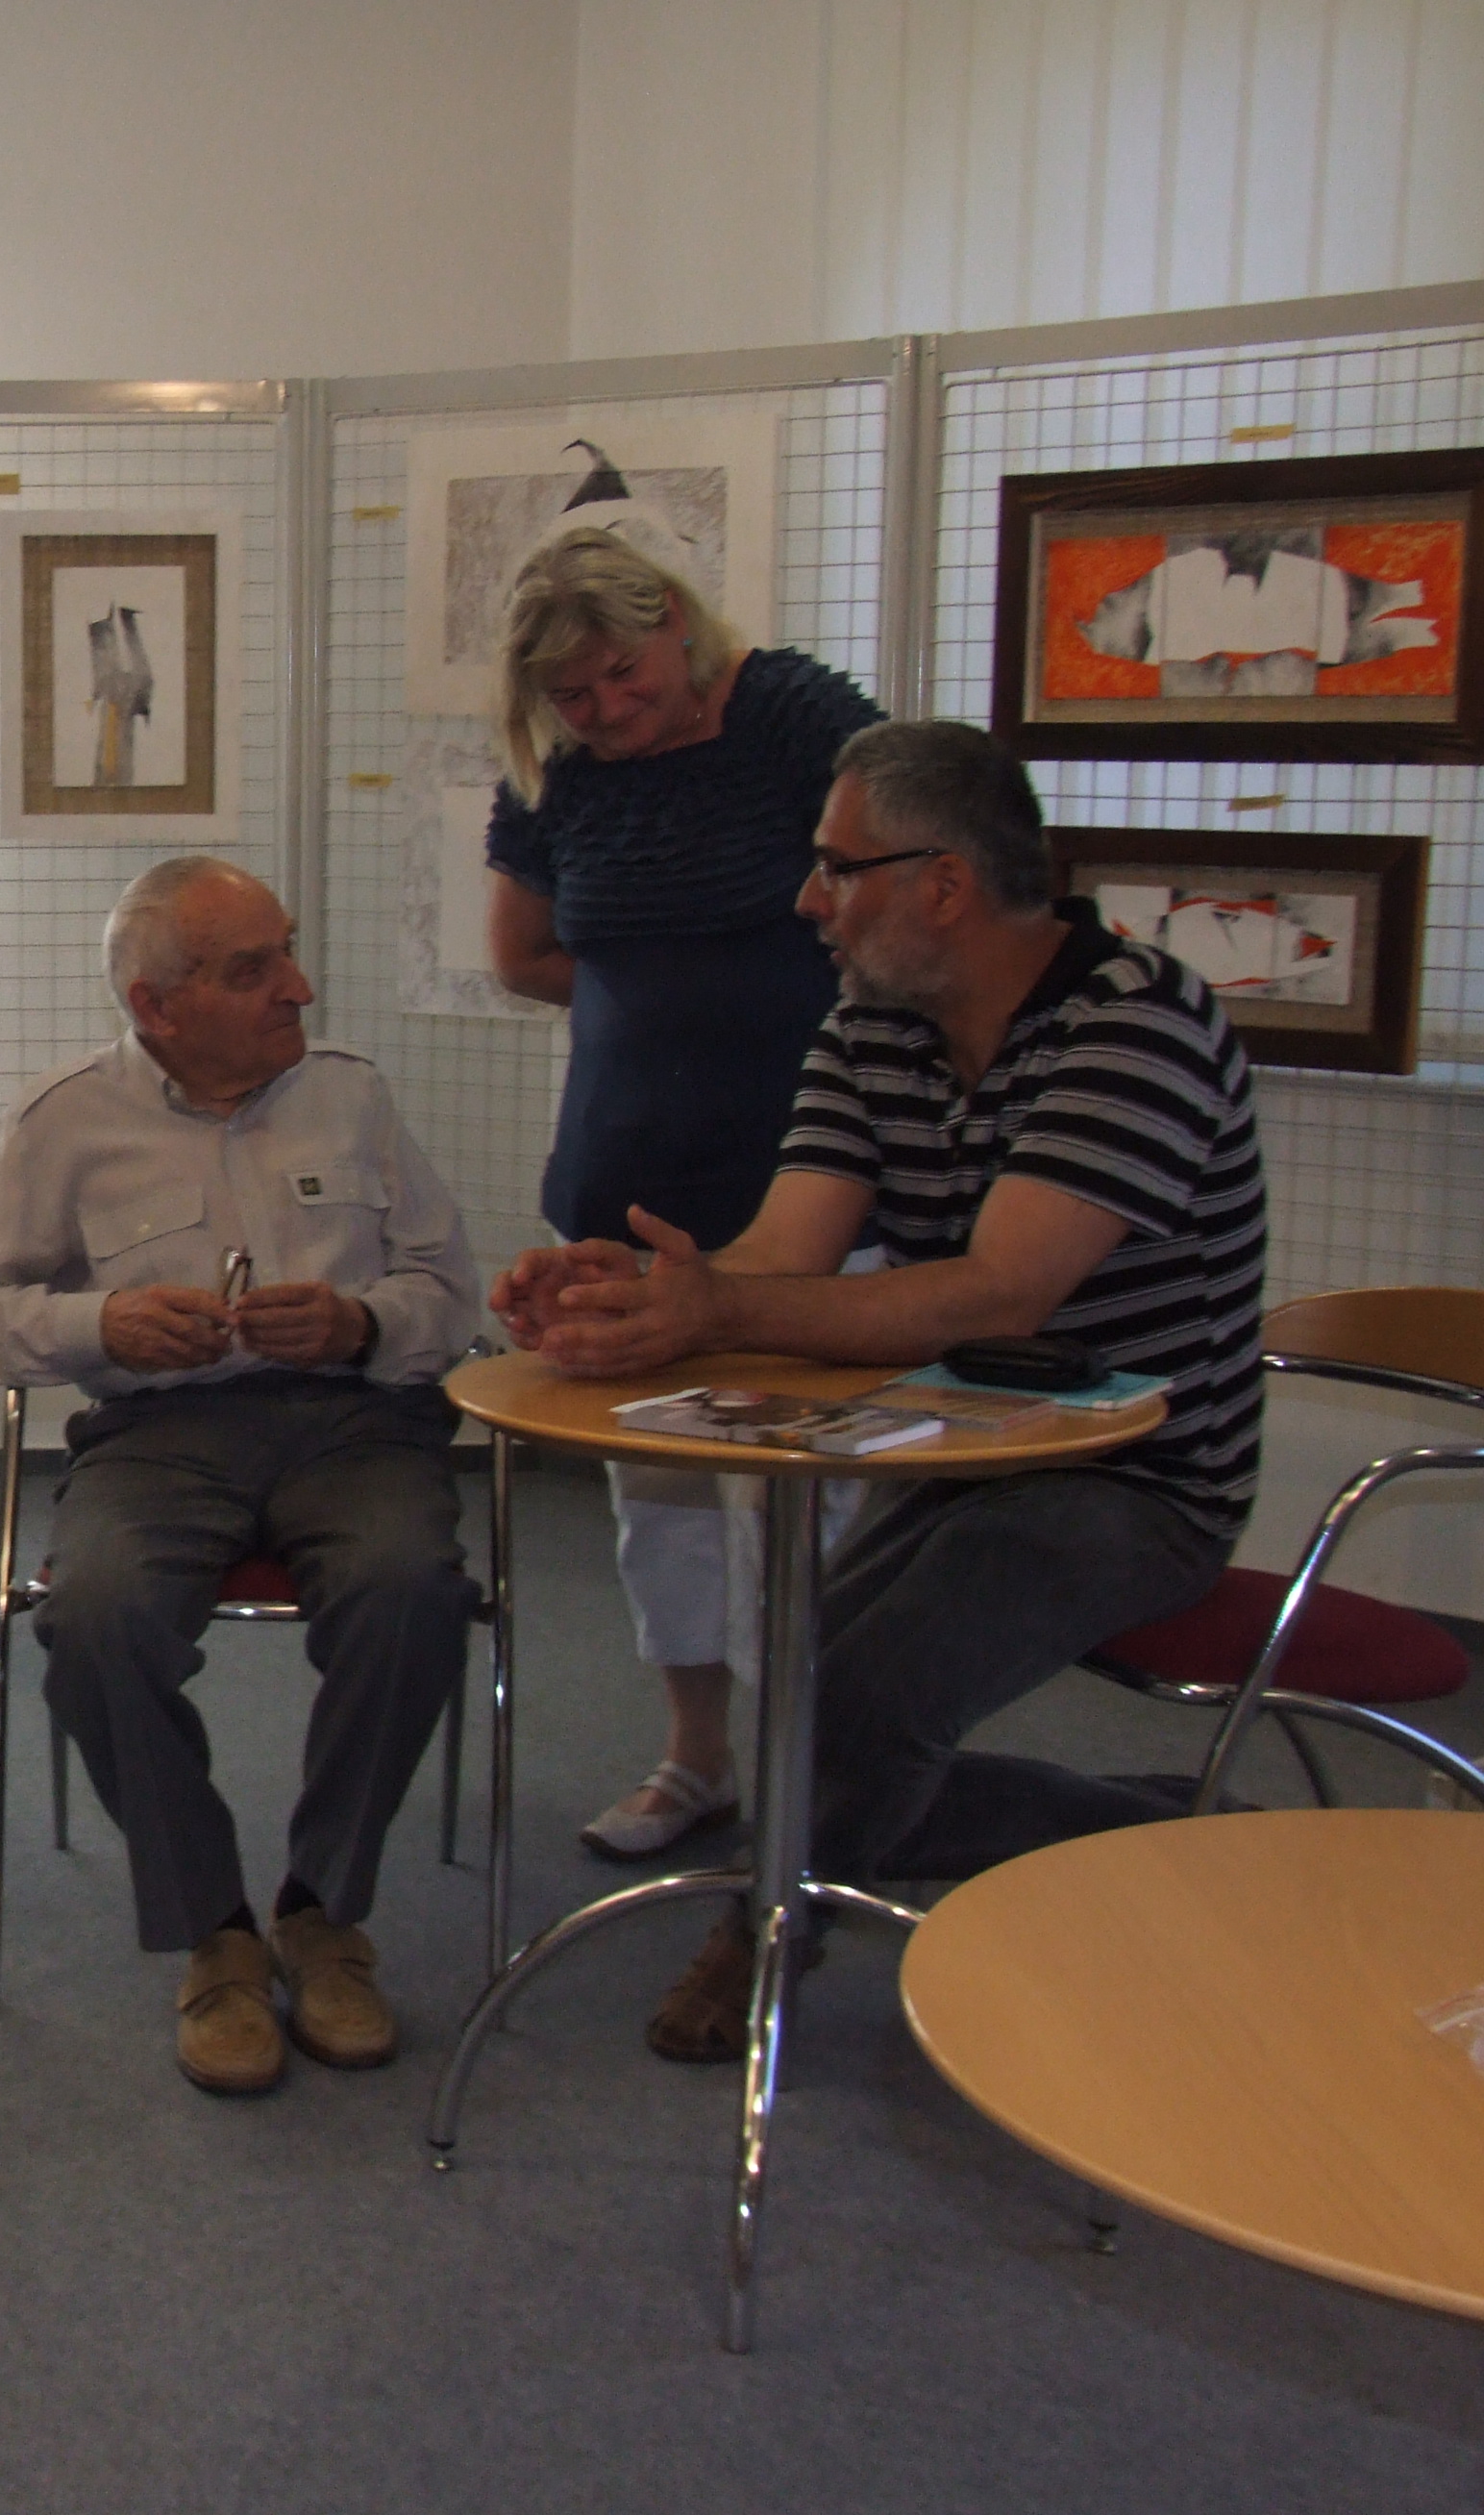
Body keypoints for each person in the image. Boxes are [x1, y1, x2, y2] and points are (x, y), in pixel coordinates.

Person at [492, 720, 1266, 2062]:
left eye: (839, 869)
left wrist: (714, 1307)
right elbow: (782, 1255)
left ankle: (769, 1928)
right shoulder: (872, 1024)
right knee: (813, 1701)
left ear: (944, 885)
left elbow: (997, 1293)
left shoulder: (1139, 1020)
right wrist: (637, 1294)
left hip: (1141, 1476)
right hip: (958, 1445)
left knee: (857, 1706)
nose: (810, 902)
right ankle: (1145, 1830)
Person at [0, 857, 482, 2095]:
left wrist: (360, 1322)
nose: (299, 987)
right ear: (157, 1006)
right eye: (254, 969)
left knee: (411, 1591)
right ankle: (215, 1930)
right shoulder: (66, 1120)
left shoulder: (354, 1097)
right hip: (160, 1435)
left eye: (289, 951)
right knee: (94, 1616)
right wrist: (96, 1326)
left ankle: (322, 1912)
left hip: (357, 1423)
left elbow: (447, 1291)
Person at [482, 524, 886, 1863]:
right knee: (661, 1502)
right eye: (572, 696)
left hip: (803, 1183)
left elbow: (902, 895)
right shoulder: (561, 771)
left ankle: (815, 1785)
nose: (603, 712)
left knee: (801, 1508)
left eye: (622, 675)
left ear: (675, 622)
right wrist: (658, 998)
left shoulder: (792, 714)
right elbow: (524, 953)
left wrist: (751, 1005)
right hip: (626, 1168)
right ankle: (696, 1758)